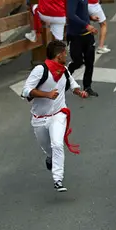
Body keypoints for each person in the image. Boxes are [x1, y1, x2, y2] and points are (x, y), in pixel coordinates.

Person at [22, 40, 88, 192]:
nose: (67, 55)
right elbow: (25, 91)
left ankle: (58, 179)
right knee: (49, 148)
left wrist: (80, 92)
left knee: (57, 144)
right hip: (39, 118)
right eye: (65, 53)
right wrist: (47, 94)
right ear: (59, 55)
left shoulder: (64, 69)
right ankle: (50, 158)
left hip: (58, 114)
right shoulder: (40, 70)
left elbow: (72, 85)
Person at [66, 0, 99, 97]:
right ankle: (68, 72)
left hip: (88, 35)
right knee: (78, 61)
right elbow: (70, 14)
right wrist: (87, 25)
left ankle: (87, 87)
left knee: (90, 62)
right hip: (75, 36)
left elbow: (81, 11)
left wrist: (90, 17)